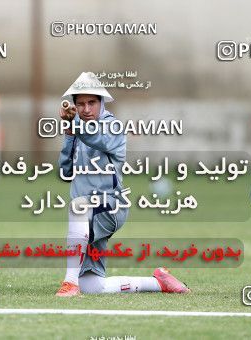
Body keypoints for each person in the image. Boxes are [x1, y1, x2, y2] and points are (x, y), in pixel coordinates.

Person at [56, 72, 189, 296]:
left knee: (77, 206)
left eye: (91, 103)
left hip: (109, 208)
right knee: (93, 287)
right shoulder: (78, 128)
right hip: (86, 218)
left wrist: (75, 127)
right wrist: (69, 132)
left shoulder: (113, 127)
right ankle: (158, 282)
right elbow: (65, 170)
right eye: (80, 104)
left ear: (102, 103)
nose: (86, 109)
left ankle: (70, 282)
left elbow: (95, 138)